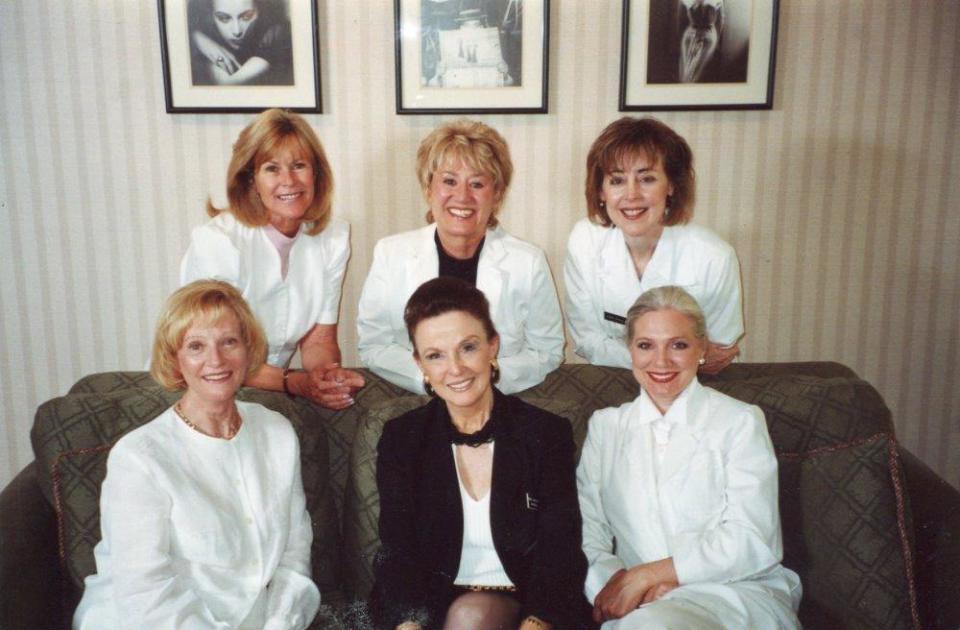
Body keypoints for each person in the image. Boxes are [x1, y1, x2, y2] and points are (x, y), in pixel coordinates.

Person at [74, 280, 320, 629]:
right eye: (196, 346)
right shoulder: (138, 458)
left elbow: (295, 552)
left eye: (228, 342)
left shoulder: (277, 432)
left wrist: (281, 623)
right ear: (175, 359)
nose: (215, 360)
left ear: (248, 349)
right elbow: (145, 592)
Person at [371, 277, 591, 630]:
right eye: (435, 355)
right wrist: (408, 625)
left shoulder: (544, 433)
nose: (455, 368)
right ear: (420, 365)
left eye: (468, 347)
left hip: (528, 608)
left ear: (493, 346)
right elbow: (398, 550)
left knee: (472, 617)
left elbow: (559, 548)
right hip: (432, 609)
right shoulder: (403, 438)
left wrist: (536, 624)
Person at [576, 285, 801, 629]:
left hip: (732, 595)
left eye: (678, 345)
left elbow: (753, 538)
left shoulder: (739, 421)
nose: (661, 361)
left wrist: (650, 574)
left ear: (701, 349)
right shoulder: (606, 427)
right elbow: (586, 532)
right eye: (645, 345)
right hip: (644, 604)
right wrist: (621, 584)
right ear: (630, 352)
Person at [358, 119, 564, 395]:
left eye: (477, 184)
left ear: (497, 194)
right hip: (420, 399)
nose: (462, 196)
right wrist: (433, 380)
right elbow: (374, 345)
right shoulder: (390, 254)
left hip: (498, 399)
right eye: (449, 181)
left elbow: (547, 351)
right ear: (428, 188)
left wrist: (487, 377)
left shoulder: (528, 263)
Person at [181, 108, 364, 410]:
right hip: (203, 389)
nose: (289, 180)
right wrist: (293, 382)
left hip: (275, 389)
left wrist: (326, 378)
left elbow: (318, 341)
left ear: (316, 173)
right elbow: (217, 355)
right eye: (271, 168)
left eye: (299, 165)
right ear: (251, 179)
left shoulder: (333, 238)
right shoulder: (220, 241)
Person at [564, 116, 743, 374]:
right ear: (601, 191)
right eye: (617, 180)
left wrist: (690, 359)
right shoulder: (583, 241)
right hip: (615, 380)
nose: (632, 195)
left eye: (646, 179)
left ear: (671, 185)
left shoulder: (714, 256)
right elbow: (587, 342)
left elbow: (718, 355)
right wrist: (682, 355)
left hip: (692, 388)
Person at [188, 0, 294, 86]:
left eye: (247, 17)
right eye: (223, 18)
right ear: (210, 16)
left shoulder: (276, 32)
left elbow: (225, 83)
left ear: (259, 10)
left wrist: (198, 40)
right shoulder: (203, 33)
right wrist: (197, 38)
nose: (237, 31)